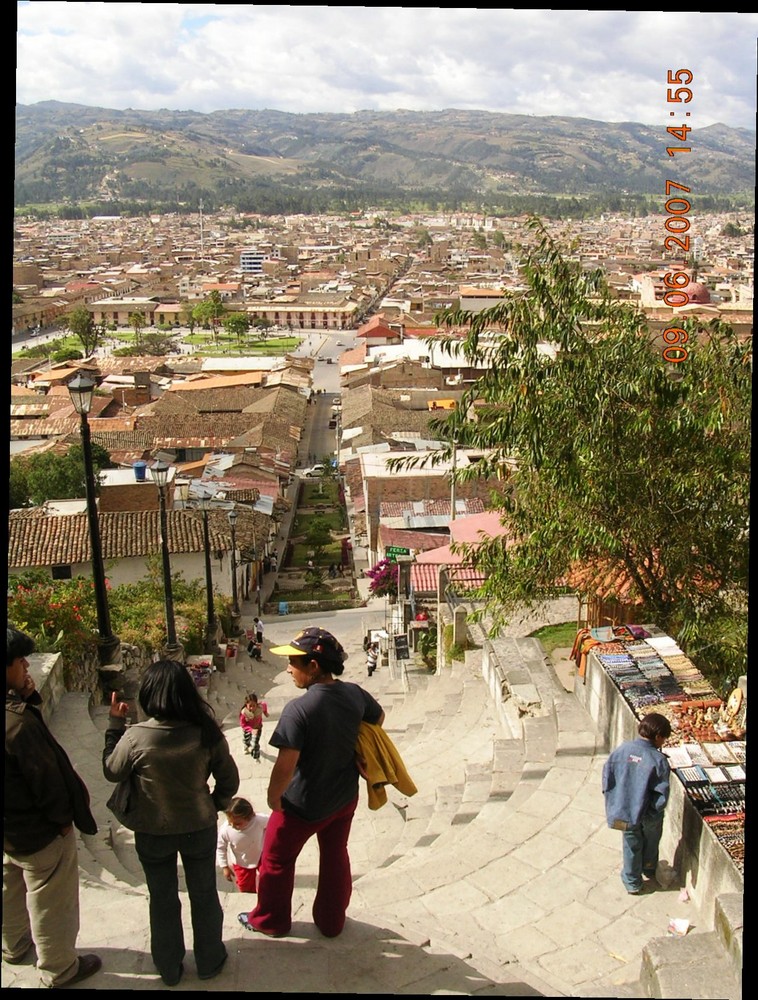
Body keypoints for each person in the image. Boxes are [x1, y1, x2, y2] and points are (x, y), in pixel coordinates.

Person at [238, 626, 384, 938]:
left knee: (276, 860)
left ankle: (270, 920)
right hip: (344, 798)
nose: (289, 668)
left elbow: (285, 766)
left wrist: (274, 798)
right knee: (335, 854)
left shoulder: (299, 710)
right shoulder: (354, 693)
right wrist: (357, 749)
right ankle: (331, 922)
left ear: (313, 667)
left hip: (303, 804)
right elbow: (378, 717)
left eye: (294, 662)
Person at [103, 660, 239, 987]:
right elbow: (229, 781)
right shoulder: (205, 731)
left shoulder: (136, 737)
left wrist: (114, 725)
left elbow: (112, 771)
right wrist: (213, 804)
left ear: (149, 694)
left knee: (161, 897)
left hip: (153, 831)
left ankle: (168, 966)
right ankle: (209, 959)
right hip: (198, 826)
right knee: (204, 893)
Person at [4, 627, 102, 988]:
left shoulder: (16, 714)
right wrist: (63, 822)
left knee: (9, 890)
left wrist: (26, 700)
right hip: (36, 832)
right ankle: (59, 968)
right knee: (49, 901)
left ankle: (13, 947)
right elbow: (45, 777)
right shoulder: (17, 726)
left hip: (8, 832)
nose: (26, 665)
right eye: (18, 660)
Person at [602, 713, 672, 895]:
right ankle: (648, 868)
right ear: (658, 736)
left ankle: (632, 881)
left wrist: (614, 800)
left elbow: (606, 777)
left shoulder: (621, 750)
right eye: (664, 739)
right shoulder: (658, 760)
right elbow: (661, 794)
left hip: (623, 810)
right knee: (651, 841)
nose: (663, 743)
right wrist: (653, 812)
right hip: (648, 814)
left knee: (631, 843)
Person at [216, 797, 270, 893]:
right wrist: (224, 866)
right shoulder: (226, 830)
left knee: (268, 878)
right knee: (245, 887)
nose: (232, 826)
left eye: (237, 823)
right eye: (230, 822)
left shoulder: (259, 820)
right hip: (241, 862)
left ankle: (266, 895)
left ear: (250, 817)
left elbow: (273, 823)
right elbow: (220, 848)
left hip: (261, 855)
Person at [240, 693, 269, 760]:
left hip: (257, 727)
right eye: (250, 706)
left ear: (257, 704)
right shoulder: (244, 713)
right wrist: (251, 730)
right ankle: (246, 746)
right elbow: (243, 724)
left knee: (255, 743)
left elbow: (264, 705)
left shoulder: (260, 708)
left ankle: (256, 756)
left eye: (254, 705)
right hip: (247, 729)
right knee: (246, 740)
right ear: (246, 705)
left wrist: (265, 713)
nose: (252, 708)